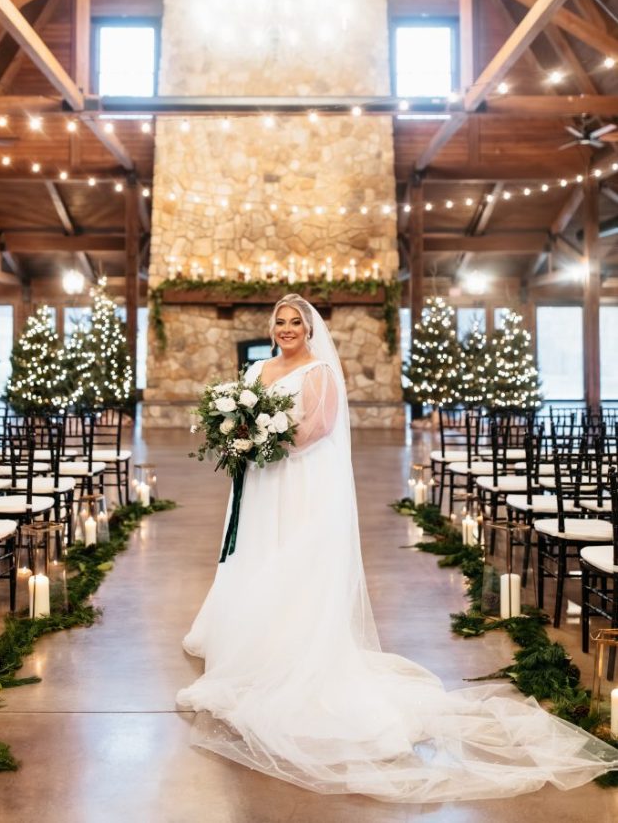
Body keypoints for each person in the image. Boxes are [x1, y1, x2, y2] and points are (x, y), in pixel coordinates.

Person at [177, 294, 618, 802]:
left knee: (292, 561)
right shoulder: (258, 368)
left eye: (296, 321)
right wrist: (239, 436)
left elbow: (316, 429)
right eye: (280, 321)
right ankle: (250, 642)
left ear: (310, 329)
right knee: (258, 557)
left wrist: (260, 441)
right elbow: (241, 418)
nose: (287, 329)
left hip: (296, 483)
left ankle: (290, 650)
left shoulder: (319, 372)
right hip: (259, 484)